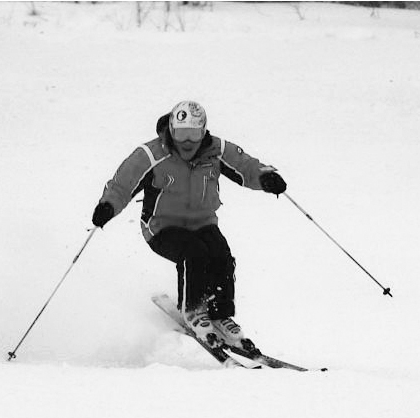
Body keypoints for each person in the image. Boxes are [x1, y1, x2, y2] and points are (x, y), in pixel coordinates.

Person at [91, 101, 287, 353]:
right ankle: (193, 311)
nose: (187, 141)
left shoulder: (217, 150)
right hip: (161, 226)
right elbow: (121, 186)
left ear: (203, 131)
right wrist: (108, 206)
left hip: (202, 221)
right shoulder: (151, 154)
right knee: (194, 253)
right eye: (181, 134)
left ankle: (220, 315)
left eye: (193, 134)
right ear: (171, 130)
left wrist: (265, 177)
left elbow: (248, 167)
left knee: (221, 256)